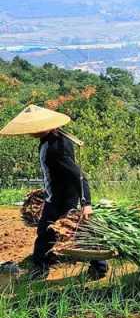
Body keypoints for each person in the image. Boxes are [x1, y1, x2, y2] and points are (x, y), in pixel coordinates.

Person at [0, 105, 108, 280]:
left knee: (74, 232)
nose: (29, 132)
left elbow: (78, 176)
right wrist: (47, 190)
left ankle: (99, 265)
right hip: (55, 196)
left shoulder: (57, 147)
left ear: (43, 126)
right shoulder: (48, 140)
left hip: (65, 199)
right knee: (46, 232)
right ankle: (43, 265)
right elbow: (55, 173)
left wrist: (86, 203)